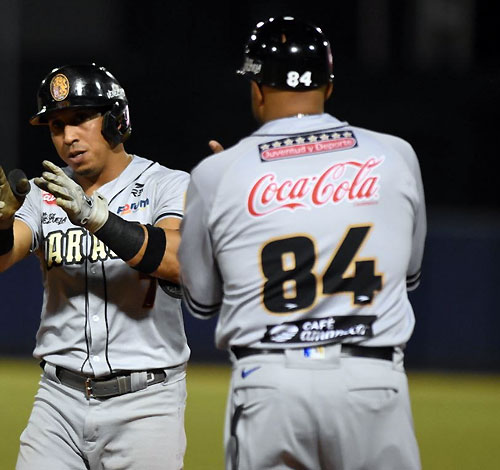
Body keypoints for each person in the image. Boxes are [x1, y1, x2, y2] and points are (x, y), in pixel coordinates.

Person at [178, 16, 426, 470]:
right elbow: (408, 275)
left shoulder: (217, 174)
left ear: (256, 89)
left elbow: (202, 300)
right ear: (329, 86)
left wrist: (230, 199)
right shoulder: (396, 155)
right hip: (372, 379)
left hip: (270, 384)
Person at [0, 63, 190, 470]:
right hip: (58, 399)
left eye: (80, 119)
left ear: (113, 120)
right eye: (56, 126)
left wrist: (98, 217)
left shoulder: (167, 184)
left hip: (145, 403)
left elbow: (178, 260)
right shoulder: (44, 194)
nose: (67, 136)